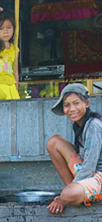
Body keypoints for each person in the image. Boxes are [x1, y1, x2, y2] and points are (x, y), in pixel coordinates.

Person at [46, 83, 102, 215]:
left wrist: (62, 198)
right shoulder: (80, 125)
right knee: (53, 142)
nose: (72, 109)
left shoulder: (94, 126)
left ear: (87, 103)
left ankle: (72, 193)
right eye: (67, 105)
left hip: (99, 175)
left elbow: (89, 166)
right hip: (91, 174)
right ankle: (74, 192)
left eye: (76, 103)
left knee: (67, 194)